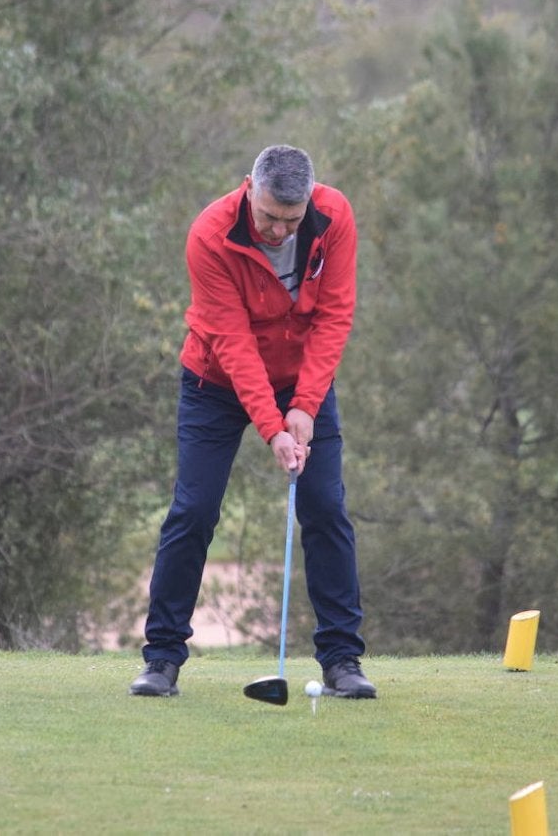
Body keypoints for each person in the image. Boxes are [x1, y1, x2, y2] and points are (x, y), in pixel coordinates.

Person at [129, 145, 375, 699]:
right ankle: (162, 659)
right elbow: (233, 344)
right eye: (268, 217)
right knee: (192, 511)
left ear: (309, 201)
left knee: (326, 508)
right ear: (248, 188)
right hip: (214, 382)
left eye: (290, 220)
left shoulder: (334, 217)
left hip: (301, 381)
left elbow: (335, 315)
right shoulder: (209, 234)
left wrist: (305, 406)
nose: (277, 231)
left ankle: (342, 661)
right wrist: (273, 428)